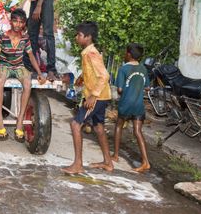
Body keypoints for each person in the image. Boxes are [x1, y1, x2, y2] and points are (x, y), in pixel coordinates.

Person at [0, 9, 45, 141]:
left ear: (24, 24)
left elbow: (31, 56)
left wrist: (39, 73)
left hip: (19, 66)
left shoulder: (25, 38)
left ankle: (20, 121)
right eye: (15, 21)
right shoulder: (2, 36)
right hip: (4, 65)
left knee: (27, 84)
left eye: (21, 22)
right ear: (10, 22)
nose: (18, 24)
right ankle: (0, 119)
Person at [62, 21, 113, 174]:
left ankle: (78, 164)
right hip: (102, 96)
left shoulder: (91, 53)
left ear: (88, 37)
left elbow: (104, 75)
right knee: (98, 128)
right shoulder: (88, 52)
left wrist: (93, 96)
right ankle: (108, 162)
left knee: (76, 125)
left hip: (97, 97)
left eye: (79, 35)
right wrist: (81, 79)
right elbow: (93, 73)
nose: (76, 37)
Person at [112, 43, 151, 173]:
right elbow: (146, 87)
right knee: (138, 131)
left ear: (129, 54)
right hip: (138, 105)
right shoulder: (143, 69)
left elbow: (120, 89)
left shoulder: (123, 69)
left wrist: (124, 91)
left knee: (118, 126)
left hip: (126, 104)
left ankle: (116, 155)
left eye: (125, 52)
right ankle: (145, 161)